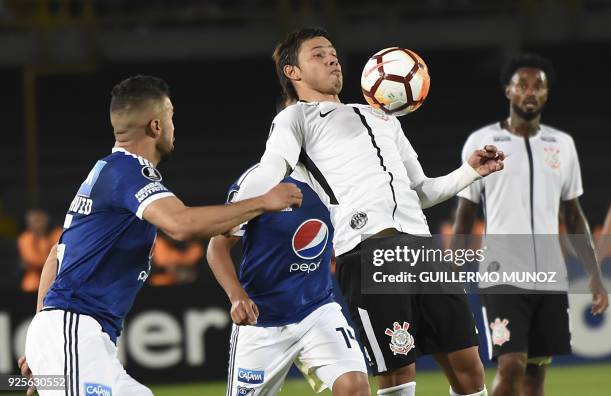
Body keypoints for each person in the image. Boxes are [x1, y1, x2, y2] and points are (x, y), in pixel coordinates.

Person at [233, 27, 505, 396]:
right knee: (398, 377)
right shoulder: (295, 119)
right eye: (317, 54)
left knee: (469, 370)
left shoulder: (382, 116)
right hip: (367, 254)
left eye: (333, 52)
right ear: (292, 72)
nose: (332, 58)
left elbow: (421, 190)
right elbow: (269, 169)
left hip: (422, 248)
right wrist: (233, 212)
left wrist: (470, 171)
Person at [19, 75, 302, 396]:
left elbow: (57, 254)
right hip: (75, 331)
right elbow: (181, 224)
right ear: (155, 126)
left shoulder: (105, 172)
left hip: (73, 336)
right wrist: (263, 202)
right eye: (170, 116)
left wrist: (45, 338)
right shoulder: (128, 172)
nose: (173, 126)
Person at [452, 53, 609, 396]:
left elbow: (573, 215)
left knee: (535, 375)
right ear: (508, 92)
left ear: (547, 94)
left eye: (538, 85)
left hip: (550, 277)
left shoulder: (562, 145)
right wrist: (452, 273)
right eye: (521, 85)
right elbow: (465, 216)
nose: (530, 92)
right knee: (511, 366)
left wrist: (594, 274)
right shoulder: (483, 143)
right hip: (502, 276)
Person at [207, 164, 369, 396]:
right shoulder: (260, 179)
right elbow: (217, 247)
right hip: (262, 319)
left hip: (317, 310)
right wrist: (237, 297)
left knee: (355, 388)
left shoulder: (339, 178)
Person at [17, 208, 62, 292]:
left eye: (41, 219)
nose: (39, 223)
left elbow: (63, 254)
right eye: (35, 221)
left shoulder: (57, 233)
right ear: (28, 223)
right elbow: (33, 259)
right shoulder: (26, 238)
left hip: (57, 282)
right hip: (34, 284)